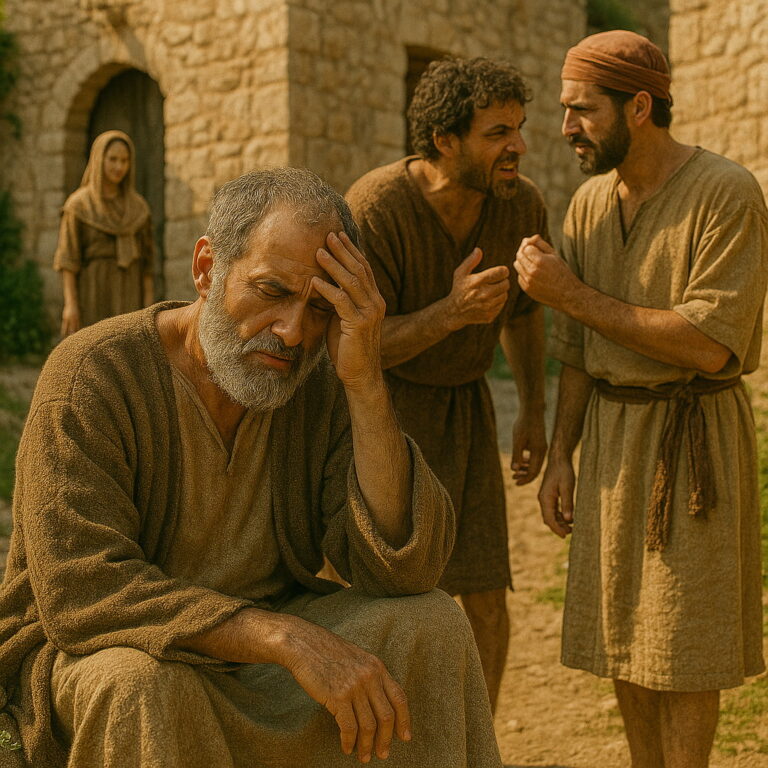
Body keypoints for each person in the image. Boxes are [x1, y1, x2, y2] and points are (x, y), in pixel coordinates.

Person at [0, 168, 503, 768]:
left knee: (432, 623)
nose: (293, 331)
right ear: (207, 267)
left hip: (264, 660)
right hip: (125, 653)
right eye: (271, 292)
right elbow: (83, 590)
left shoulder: (314, 381)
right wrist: (283, 639)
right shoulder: (93, 375)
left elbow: (407, 566)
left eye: (320, 309)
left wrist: (365, 380)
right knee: (141, 686)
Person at [514, 30, 768, 767]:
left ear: (641, 107)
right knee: (625, 634)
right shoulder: (590, 205)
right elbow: (573, 355)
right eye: (564, 111)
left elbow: (708, 343)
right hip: (612, 445)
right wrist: (561, 454)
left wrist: (571, 294)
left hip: (694, 447)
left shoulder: (726, 193)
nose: (565, 130)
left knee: (685, 641)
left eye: (582, 110)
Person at [346, 57, 549, 711]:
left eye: (519, 128)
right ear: (445, 140)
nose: (517, 145)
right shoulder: (376, 208)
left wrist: (533, 414)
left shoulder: (521, 205)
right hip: (385, 420)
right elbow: (359, 350)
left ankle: (476, 745)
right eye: (497, 133)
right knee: (385, 596)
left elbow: (522, 315)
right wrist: (452, 313)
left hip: (469, 411)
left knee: (487, 594)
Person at [54, 129, 155, 338]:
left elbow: (148, 262)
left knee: (129, 355)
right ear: (99, 159)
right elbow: (68, 259)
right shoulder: (79, 205)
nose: (119, 167)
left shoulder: (139, 208)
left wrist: (148, 305)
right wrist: (70, 304)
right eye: (113, 159)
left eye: (125, 161)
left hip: (130, 293)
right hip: (93, 292)